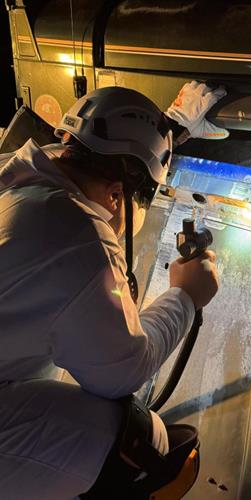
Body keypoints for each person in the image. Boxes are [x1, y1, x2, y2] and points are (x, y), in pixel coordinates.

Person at [0, 81, 228, 499]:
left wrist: (172, 127)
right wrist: (186, 296)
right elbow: (120, 372)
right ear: (117, 194)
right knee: (142, 444)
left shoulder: (17, 172)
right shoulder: (76, 233)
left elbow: (114, 151)